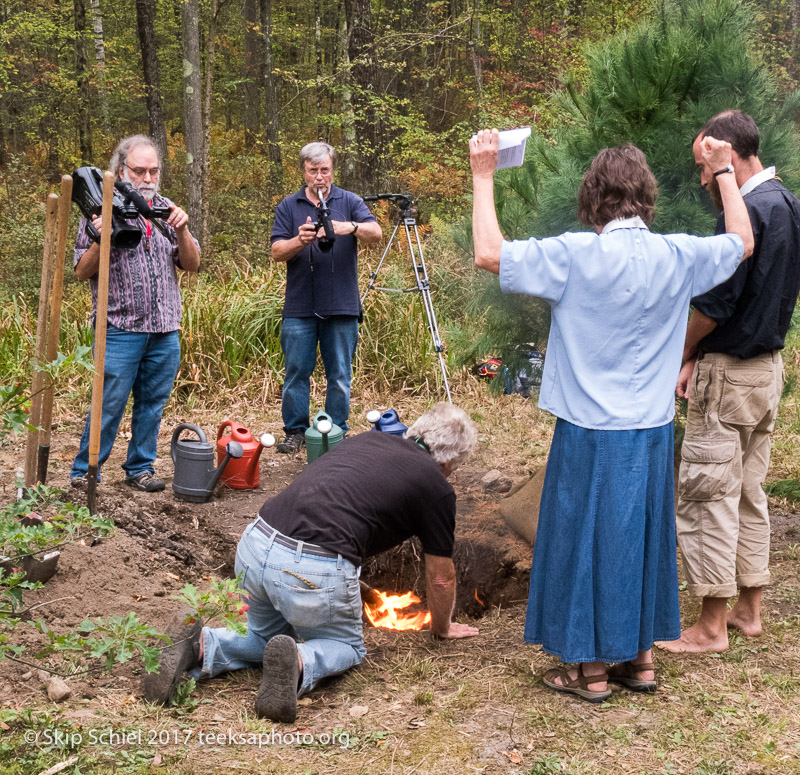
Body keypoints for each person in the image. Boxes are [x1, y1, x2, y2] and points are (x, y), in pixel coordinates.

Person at [470, 129, 753, 702]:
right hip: (650, 432)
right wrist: (724, 171)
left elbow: (488, 253)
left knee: (587, 542)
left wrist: (482, 175)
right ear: (645, 198)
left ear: (592, 200)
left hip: (590, 433)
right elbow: (743, 240)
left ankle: (592, 671)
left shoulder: (576, 254)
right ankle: (640, 662)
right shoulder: (677, 252)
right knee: (641, 540)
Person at [142, 402, 479, 721]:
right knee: (346, 645)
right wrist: (442, 628)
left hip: (256, 543)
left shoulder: (368, 440)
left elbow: (335, 505)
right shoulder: (436, 486)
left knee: (264, 636)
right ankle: (302, 662)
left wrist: (349, 581)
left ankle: (201, 644)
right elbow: (440, 578)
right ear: (450, 462)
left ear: (415, 432)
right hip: (309, 568)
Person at [657, 111, 800, 654]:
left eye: (706, 165)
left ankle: (711, 626)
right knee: (747, 492)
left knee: (707, 493)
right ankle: (749, 609)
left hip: (729, 376)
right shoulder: (787, 203)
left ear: (727, 154)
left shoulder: (746, 214)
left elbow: (716, 305)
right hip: (767, 371)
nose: (701, 181)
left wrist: (686, 348)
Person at [69, 135, 200, 492]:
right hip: (119, 326)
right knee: (108, 403)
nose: (147, 177)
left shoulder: (167, 208)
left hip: (164, 327)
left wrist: (183, 230)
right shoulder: (101, 208)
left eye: (153, 170)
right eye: (139, 170)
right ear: (122, 170)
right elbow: (81, 271)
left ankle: (140, 468)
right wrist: (101, 237)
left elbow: (192, 264)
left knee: (152, 404)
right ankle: (86, 472)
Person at [270, 142, 383, 454]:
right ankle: (295, 431)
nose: (319, 177)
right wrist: (298, 240)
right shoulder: (289, 205)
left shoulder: (349, 201)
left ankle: (335, 432)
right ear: (303, 170)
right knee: (295, 374)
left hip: (342, 304)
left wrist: (351, 226)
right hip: (300, 306)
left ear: (333, 170)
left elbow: (377, 233)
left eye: (324, 170)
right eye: (313, 170)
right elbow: (276, 252)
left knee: (340, 376)